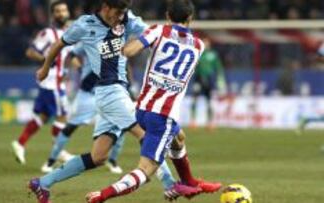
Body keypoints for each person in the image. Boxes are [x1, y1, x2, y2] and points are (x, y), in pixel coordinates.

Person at [28, 1, 199, 202]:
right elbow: (59, 44)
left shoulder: (127, 19)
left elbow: (154, 35)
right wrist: (45, 68)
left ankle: (43, 183)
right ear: (106, 7)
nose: (120, 17)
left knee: (98, 156)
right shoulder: (85, 24)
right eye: (117, 12)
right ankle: (171, 185)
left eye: (123, 13)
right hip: (109, 92)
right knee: (147, 135)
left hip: (118, 92)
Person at [86, 0, 222, 202]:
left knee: (179, 137)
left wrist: (118, 40)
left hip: (142, 109)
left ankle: (188, 181)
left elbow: (129, 51)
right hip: (163, 116)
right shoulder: (199, 45)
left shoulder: (157, 31)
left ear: (168, 16)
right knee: (146, 169)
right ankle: (102, 195)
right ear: (191, 18)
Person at [41, 43, 125, 174]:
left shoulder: (119, 39)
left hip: (110, 94)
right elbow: (71, 54)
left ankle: (112, 161)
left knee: (122, 125)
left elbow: (125, 64)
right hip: (87, 95)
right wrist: (74, 69)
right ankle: (51, 160)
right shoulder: (89, 36)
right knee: (71, 127)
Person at [11, 0, 73, 166]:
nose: (62, 14)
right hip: (52, 83)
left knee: (43, 117)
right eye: (58, 11)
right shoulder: (48, 33)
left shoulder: (69, 33)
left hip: (56, 82)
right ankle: (58, 151)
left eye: (64, 10)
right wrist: (46, 59)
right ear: (53, 15)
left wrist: (67, 69)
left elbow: (67, 57)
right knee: (62, 116)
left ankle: (20, 142)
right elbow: (30, 52)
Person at [191, 37, 226, 129]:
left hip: (210, 81)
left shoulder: (213, 55)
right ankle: (193, 121)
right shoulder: (198, 53)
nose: (205, 45)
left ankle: (210, 122)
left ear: (209, 44)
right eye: (204, 43)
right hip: (198, 79)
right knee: (195, 99)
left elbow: (218, 68)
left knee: (209, 101)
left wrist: (220, 80)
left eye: (207, 43)